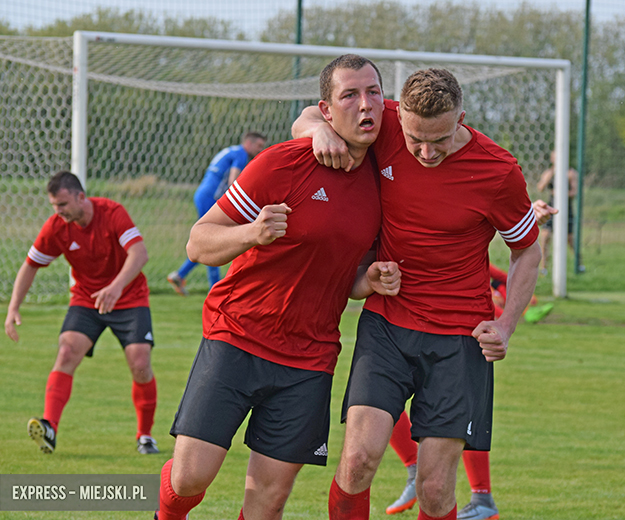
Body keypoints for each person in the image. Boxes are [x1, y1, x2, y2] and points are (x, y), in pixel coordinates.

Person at [155, 54, 401, 520]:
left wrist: (368, 280)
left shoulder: (383, 182)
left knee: (268, 498)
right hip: (237, 337)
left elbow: (348, 280)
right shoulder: (282, 164)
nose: (365, 104)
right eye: (349, 95)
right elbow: (198, 244)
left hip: (309, 358)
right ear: (327, 110)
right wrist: (252, 233)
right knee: (190, 477)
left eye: (373, 92)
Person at [293, 68, 541, 520]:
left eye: (440, 140)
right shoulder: (384, 122)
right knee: (356, 461)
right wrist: (317, 132)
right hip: (387, 324)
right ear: (399, 117)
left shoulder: (498, 170)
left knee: (433, 487)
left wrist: (506, 325)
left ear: (461, 118)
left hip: (459, 340)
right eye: (414, 140)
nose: (426, 152)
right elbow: (314, 113)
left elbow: (527, 251)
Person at [384, 200, 557, 520]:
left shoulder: (469, 175)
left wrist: (527, 216)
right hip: (400, 316)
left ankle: (480, 496)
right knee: (376, 402)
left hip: (459, 320)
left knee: (455, 415)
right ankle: (419, 472)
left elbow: (480, 220)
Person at [4, 170, 159, 455]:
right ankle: (49, 427)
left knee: (140, 363)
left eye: (62, 204)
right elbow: (30, 264)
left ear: (80, 197)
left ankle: (145, 436)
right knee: (66, 352)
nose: (57, 211)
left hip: (129, 297)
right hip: (87, 301)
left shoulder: (112, 213)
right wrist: (13, 307)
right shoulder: (56, 227)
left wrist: (115, 287)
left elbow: (140, 253)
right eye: (53, 205)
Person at [167, 131, 267, 295]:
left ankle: (180, 275)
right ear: (248, 143)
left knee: (211, 241)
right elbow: (233, 181)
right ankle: (216, 289)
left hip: (203, 194)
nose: (260, 149)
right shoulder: (241, 155)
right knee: (212, 241)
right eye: (259, 146)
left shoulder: (232, 150)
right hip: (211, 198)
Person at [535, 150, 579, 276]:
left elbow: (574, 192)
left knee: (569, 239)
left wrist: (560, 193)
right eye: (554, 158)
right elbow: (540, 187)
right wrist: (551, 174)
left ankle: (578, 264)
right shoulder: (550, 173)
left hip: (566, 208)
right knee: (545, 237)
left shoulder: (570, 173)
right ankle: (544, 267)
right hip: (550, 207)